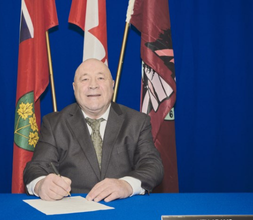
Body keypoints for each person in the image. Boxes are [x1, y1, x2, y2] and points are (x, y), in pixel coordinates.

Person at [23, 58, 164, 202]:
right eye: (85, 79)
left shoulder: (137, 122)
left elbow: (153, 166)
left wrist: (126, 185)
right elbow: (36, 168)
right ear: (74, 87)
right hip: (73, 213)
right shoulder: (54, 123)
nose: (93, 85)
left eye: (100, 78)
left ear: (112, 84)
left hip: (123, 210)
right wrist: (40, 185)